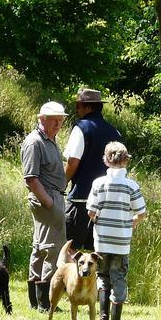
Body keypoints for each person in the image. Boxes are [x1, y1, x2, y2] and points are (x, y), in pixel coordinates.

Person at [87, 141, 146, 320]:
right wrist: (132, 222)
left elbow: (91, 211)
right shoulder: (131, 186)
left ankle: (103, 317)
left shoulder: (98, 183)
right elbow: (141, 212)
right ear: (126, 160)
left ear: (106, 160)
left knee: (103, 277)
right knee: (119, 277)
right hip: (121, 242)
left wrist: (98, 222)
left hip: (102, 241)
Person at [21, 101, 68, 312]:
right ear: (42, 119)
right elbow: (31, 178)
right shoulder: (34, 142)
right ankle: (45, 302)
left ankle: (36, 301)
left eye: (61, 120)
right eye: (54, 120)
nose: (58, 123)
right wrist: (48, 201)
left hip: (52, 197)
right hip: (47, 199)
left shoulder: (49, 139)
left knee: (40, 247)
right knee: (51, 249)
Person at [64, 88, 122, 255]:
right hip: (107, 200)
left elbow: (73, 161)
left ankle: (72, 281)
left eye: (78, 105)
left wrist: (62, 184)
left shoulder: (82, 128)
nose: (77, 109)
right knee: (96, 251)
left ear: (88, 107)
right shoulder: (114, 132)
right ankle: (95, 282)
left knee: (71, 249)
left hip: (81, 199)